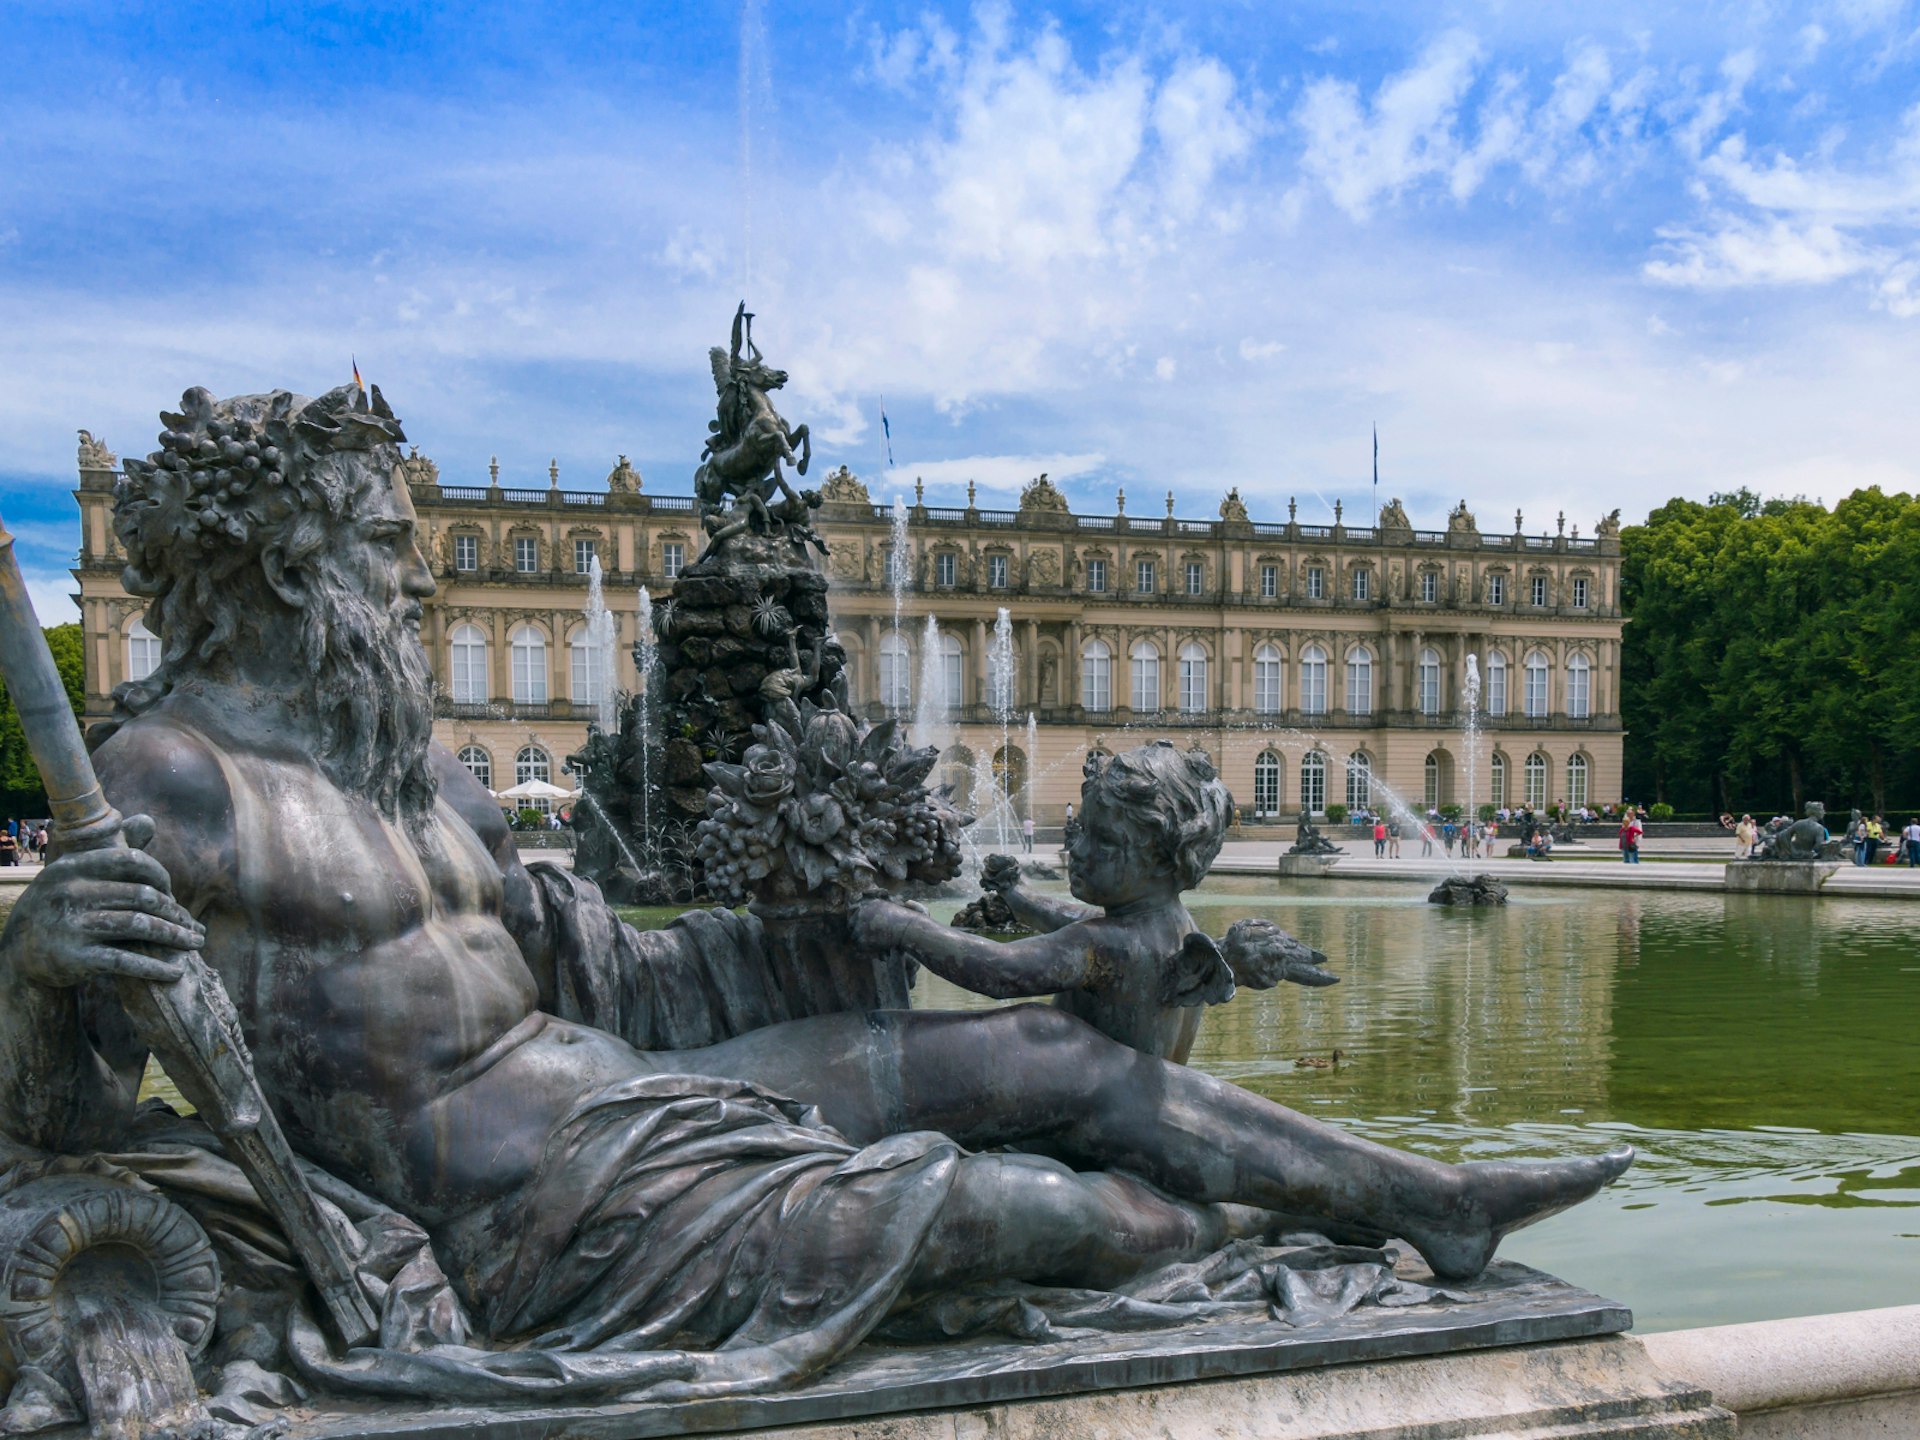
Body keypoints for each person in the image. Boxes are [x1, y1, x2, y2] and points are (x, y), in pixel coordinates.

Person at [0, 384, 1628, 1399]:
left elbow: (608, 979)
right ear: (287, 569)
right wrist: (30, 961)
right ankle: (1231, 1236)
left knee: (1048, 1063)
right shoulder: (173, 780)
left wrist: (821, 927)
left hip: (634, 1092)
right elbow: (62, 1109)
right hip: (528, 1210)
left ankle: (1424, 1203)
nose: (418, 575)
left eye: (421, 539)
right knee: (995, 1204)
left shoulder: (425, 776)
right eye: (383, 545)